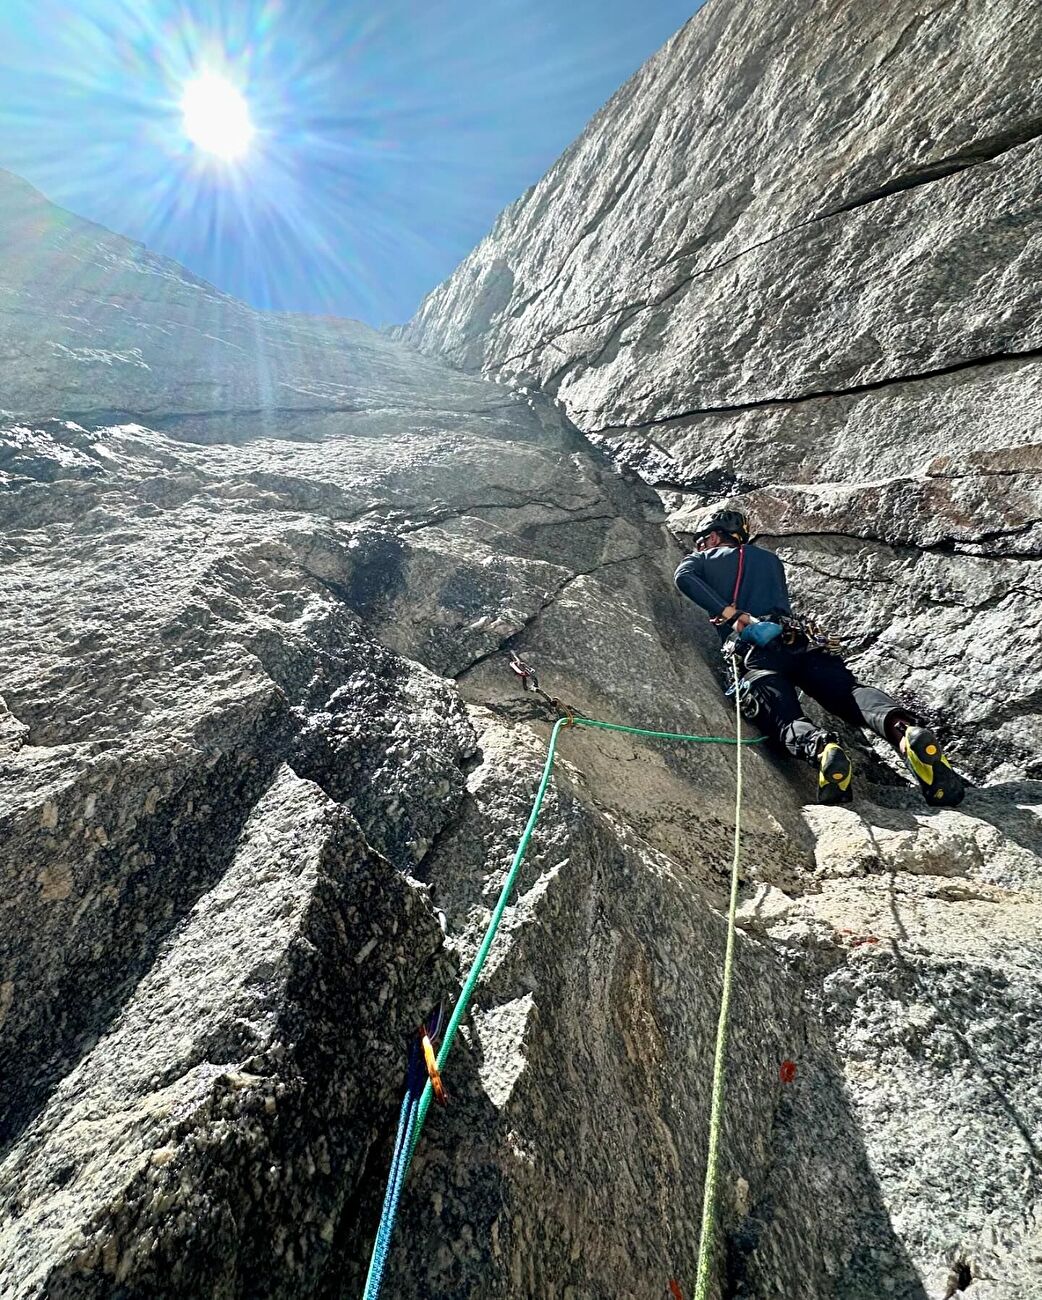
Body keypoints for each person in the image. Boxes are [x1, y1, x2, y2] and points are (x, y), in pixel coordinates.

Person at [674, 507, 964, 807]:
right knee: (849, 693)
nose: (699, 547)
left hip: (758, 653)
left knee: (783, 718)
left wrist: (730, 613)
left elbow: (683, 578)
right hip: (801, 640)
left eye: (701, 542)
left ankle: (823, 750)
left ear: (712, 536)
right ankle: (904, 730)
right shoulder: (769, 560)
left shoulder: (702, 559)